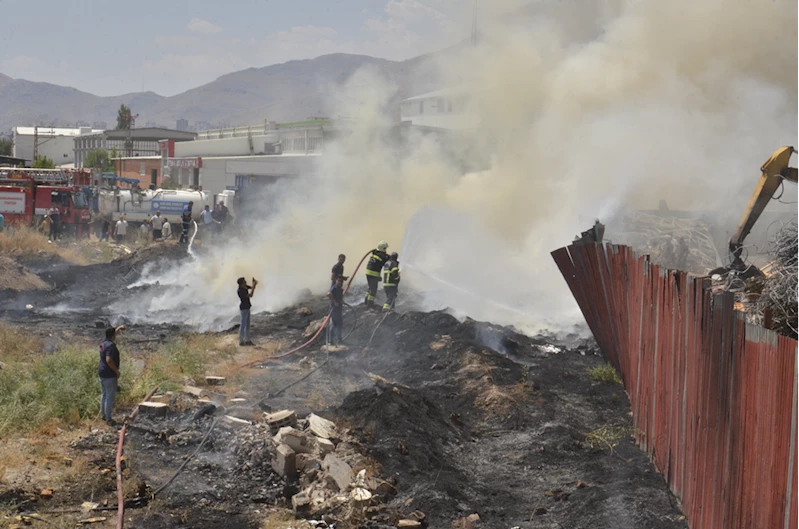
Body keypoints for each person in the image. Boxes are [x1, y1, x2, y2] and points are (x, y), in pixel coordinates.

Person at [99, 325, 126, 426]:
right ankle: (108, 419)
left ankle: (103, 415)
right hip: (109, 374)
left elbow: (112, 335)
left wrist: (118, 329)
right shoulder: (111, 346)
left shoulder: (103, 343)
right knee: (109, 396)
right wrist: (116, 371)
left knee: (104, 394)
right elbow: (109, 360)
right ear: (113, 335)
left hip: (102, 372)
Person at [364, 241, 389, 310]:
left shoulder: (375, 252)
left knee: (370, 287)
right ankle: (370, 305)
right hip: (373, 274)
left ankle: (366, 301)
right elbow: (387, 261)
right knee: (373, 290)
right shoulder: (383, 256)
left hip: (368, 272)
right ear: (383, 249)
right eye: (385, 249)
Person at [237, 277, 258, 346]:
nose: (246, 283)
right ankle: (241, 341)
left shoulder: (244, 288)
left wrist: (254, 284)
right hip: (244, 309)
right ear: (241, 284)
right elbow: (251, 295)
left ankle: (247, 340)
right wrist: (254, 286)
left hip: (247, 308)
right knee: (243, 325)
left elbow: (251, 287)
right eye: (244, 282)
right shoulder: (241, 291)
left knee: (247, 325)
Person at [327, 276, 345, 345]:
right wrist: (334, 302)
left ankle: (331, 340)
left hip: (338, 309)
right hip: (334, 309)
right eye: (339, 281)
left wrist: (341, 302)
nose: (340, 282)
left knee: (334, 324)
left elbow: (339, 297)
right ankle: (338, 339)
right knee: (338, 324)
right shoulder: (334, 288)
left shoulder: (340, 289)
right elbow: (328, 294)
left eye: (341, 281)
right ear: (336, 281)